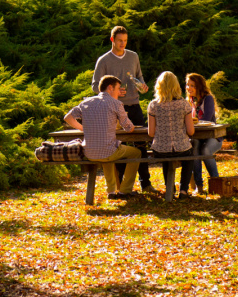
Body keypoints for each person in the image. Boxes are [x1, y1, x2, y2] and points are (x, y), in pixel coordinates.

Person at [91, 26, 154, 192]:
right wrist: (113, 91)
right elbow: (95, 86)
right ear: (112, 39)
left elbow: (138, 75)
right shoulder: (103, 61)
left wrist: (142, 85)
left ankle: (145, 183)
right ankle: (121, 186)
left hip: (134, 105)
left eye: (125, 41)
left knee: (141, 144)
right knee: (118, 147)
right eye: (120, 40)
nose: (123, 44)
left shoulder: (133, 56)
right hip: (112, 110)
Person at [65, 75, 142, 198]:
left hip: (88, 152)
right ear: (110, 88)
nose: (119, 92)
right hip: (108, 151)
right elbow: (129, 128)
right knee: (136, 153)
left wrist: (83, 129)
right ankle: (125, 190)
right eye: (118, 89)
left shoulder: (86, 102)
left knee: (107, 149)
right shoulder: (116, 103)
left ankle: (111, 191)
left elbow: (68, 117)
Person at [147, 71, 195, 202]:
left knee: (166, 158)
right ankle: (184, 190)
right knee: (190, 157)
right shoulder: (184, 104)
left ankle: (171, 189)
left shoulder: (153, 105)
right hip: (182, 148)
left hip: (160, 149)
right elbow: (191, 131)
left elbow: (151, 133)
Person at [186, 72, 223, 195]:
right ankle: (199, 186)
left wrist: (193, 120)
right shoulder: (189, 101)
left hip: (212, 136)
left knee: (206, 150)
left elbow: (206, 119)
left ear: (199, 87)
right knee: (194, 147)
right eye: (187, 85)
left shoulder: (208, 99)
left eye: (192, 85)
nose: (189, 88)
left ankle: (216, 182)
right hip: (197, 136)